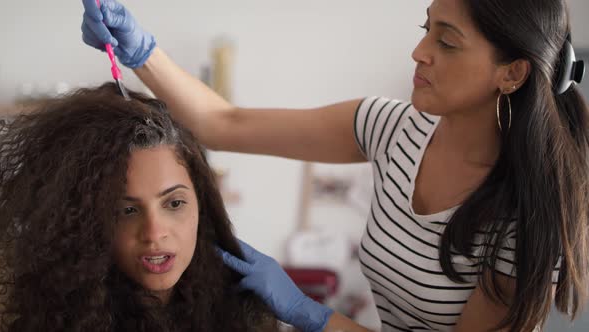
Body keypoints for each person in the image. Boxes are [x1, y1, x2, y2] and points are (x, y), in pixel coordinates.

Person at [80, 0, 589, 331]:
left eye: (447, 41)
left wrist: (309, 313)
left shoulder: (528, 221)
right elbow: (225, 124)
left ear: (512, 72)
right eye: (425, 27)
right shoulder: (391, 128)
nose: (419, 51)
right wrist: (141, 51)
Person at [0, 83, 278, 332]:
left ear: (201, 205)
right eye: (127, 211)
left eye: (174, 203)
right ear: (87, 224)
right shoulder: (48, 314)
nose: (154, 234)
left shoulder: (246, 311)